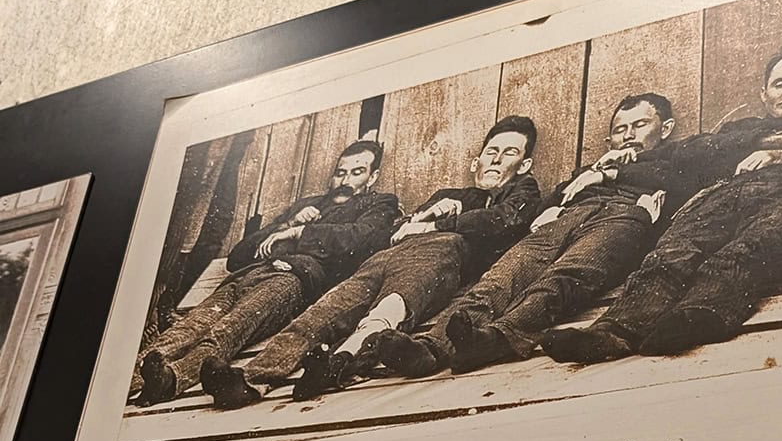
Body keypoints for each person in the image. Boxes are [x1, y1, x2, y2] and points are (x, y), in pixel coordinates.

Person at [541, 40, 782, 363]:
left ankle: (702, 312)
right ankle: (613, 332)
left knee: (750, 247)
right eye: (779, 84)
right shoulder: (741, 129)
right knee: (671, 253)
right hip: (722, 195)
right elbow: (690, 154)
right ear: (764, 93)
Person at [338, 94, 693, 381]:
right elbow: (554, 198)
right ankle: (430, 348)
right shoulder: (586, 170)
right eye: (620, 129)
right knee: (500, 278)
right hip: (564, 219)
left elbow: (685, 181)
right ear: (609, 137)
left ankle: (499, 339)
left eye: (640, 124)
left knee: (567, 275)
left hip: (625, 215)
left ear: (665, 128)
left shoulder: (677, 154)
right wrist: (553, 207)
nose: (628, 134)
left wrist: (614, 172)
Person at [199, 116, 541, 406]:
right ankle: (252, 381)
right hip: (384, 259)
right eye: (491, 152)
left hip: (438, 261)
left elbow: (506, 220)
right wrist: (420, 218)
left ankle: (338, 367)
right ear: (475, 161)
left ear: (523, 165)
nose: (496, 160)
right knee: (322, 314)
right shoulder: (446, 194)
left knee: (388, 310)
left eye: (509, 153)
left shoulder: (522, 192)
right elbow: (392, 233)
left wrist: (441, 221)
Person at [133, 140, 398, 404]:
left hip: (291, 279)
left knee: (228, 329)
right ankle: (132, 381)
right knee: (190, 326)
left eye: (357, 172)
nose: (345, 181)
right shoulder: (306, 205)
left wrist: (300, 232)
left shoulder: (379, 204)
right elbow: (238, 256)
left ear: (372, 177)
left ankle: (171, 380)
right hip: (246, 276)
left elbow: (364, 239)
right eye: (340, 173)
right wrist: (289, 221)